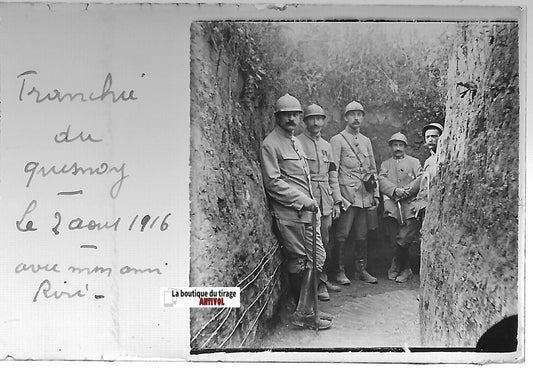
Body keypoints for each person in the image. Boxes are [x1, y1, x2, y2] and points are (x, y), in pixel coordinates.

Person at [260, 94, 332, 330]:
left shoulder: (295, 142)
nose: (291, 118)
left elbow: (304, 178)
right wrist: (303, 201)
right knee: (306, 260)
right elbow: (273, 182)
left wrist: (311, 202)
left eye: (295, 114)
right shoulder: (270, 144)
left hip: (307, 212)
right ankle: (303, 313)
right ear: (277, 117)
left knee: (312, 259)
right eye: (286, 114)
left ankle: (306, 310)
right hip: (292, 214)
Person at [330, 101, 380, 285]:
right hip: (347, 196)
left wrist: (375, 194)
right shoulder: (337, 140)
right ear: (345, 117)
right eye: (352, 114)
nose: (356, 118)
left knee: (362, 234)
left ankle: (361, 269)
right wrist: (337, 198)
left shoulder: (366, 141)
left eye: (360, 114)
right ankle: (338, 270)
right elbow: (332, 171)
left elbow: (372, 170)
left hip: (364, 196)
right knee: (342, 235)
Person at [297, 104, 342, 301]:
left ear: (324, 121)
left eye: (319, 119)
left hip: (325, 200)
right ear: (305, 121)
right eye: (311, 119)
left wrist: (337, 201)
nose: (316, 123)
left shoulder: (327, 146)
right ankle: (313, 285)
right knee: (309, 245)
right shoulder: (296, 142)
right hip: (307, 199)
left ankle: (322, 279)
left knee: (325, 241)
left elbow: (333, 175)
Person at [378, 132, 422, 283]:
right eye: (395, 145)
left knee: (404, 238)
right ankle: (405, 269)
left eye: (401, 145)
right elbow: (381, 180)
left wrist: (407, 191)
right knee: (394, 238)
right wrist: (395, 191)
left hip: (409, 204)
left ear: (405, 147)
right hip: (392, 205)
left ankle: (399, 266)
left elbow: (421, 178)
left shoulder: (414, 162)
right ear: (391, 147)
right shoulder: (385, 164)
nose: (398, 148)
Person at [413, 122, 444, 219]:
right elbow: (424, 187)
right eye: (428, 137)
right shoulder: (428, 162)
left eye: (434, 136)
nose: (430, 139)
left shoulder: (447, 157)